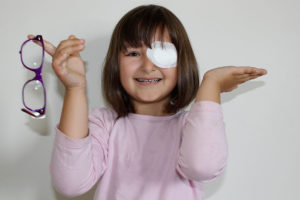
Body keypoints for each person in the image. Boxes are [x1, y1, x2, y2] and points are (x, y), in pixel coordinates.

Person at [28, 4, 267, 200]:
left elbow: (202, 166)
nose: (147, 66)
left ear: (182, 63)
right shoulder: (105, 124)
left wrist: (211, 85)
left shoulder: (190, 127)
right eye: (133, 53)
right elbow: (69, 183)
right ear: (116, 64)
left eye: (162, 52)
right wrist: (75, 88)